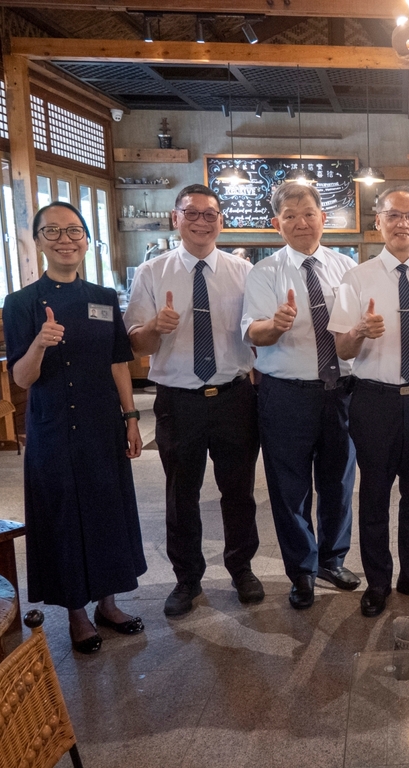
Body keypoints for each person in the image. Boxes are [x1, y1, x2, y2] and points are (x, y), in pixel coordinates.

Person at [4, 202, 146, 654]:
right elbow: (21, 378)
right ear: (37, 240)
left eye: (74, 231)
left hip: (103, 424)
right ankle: (77, 614)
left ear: (87, 239)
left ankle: (108, 602)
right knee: (63, 515)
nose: (65, 239)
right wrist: (40, 345)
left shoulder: (103, 298)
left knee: (106, 510)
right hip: (52, 426)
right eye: (53, 232)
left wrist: (131, 417)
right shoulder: (21, 303)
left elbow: (118, 362)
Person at [126, 184, 262, 618]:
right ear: (175, 218)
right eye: (193, 213)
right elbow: (134, 344)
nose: (202, 221)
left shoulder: (244, 272)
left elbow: (255, 337)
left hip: (233, 397)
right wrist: (156, 327)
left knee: (238, 490)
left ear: (221, 220)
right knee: (180, 492)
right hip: (178, 401)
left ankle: (241, 568)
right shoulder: (151, 272)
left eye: (211, 214)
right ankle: (187, 578)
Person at [329, 187, 409, 618]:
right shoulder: (356, 279)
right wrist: (360, 330)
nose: (404, 224)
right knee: (375, 495)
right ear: (377, 222)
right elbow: (342, 349)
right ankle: (378, 581)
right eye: (394, 216)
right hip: (373, 400)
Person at [242, 182, 359, 609]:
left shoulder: (347, 268)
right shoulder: (264, 272)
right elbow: (252, 331)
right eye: (289, 215)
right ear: (277, 224)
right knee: (289, 487)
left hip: (340, 391)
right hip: (285, 394)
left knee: (339, 481)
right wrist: (276, 325)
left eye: (308, 213)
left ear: (324, 219)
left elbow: (355, 328)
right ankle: (302, 570)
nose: (300, 222)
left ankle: (332, 558)